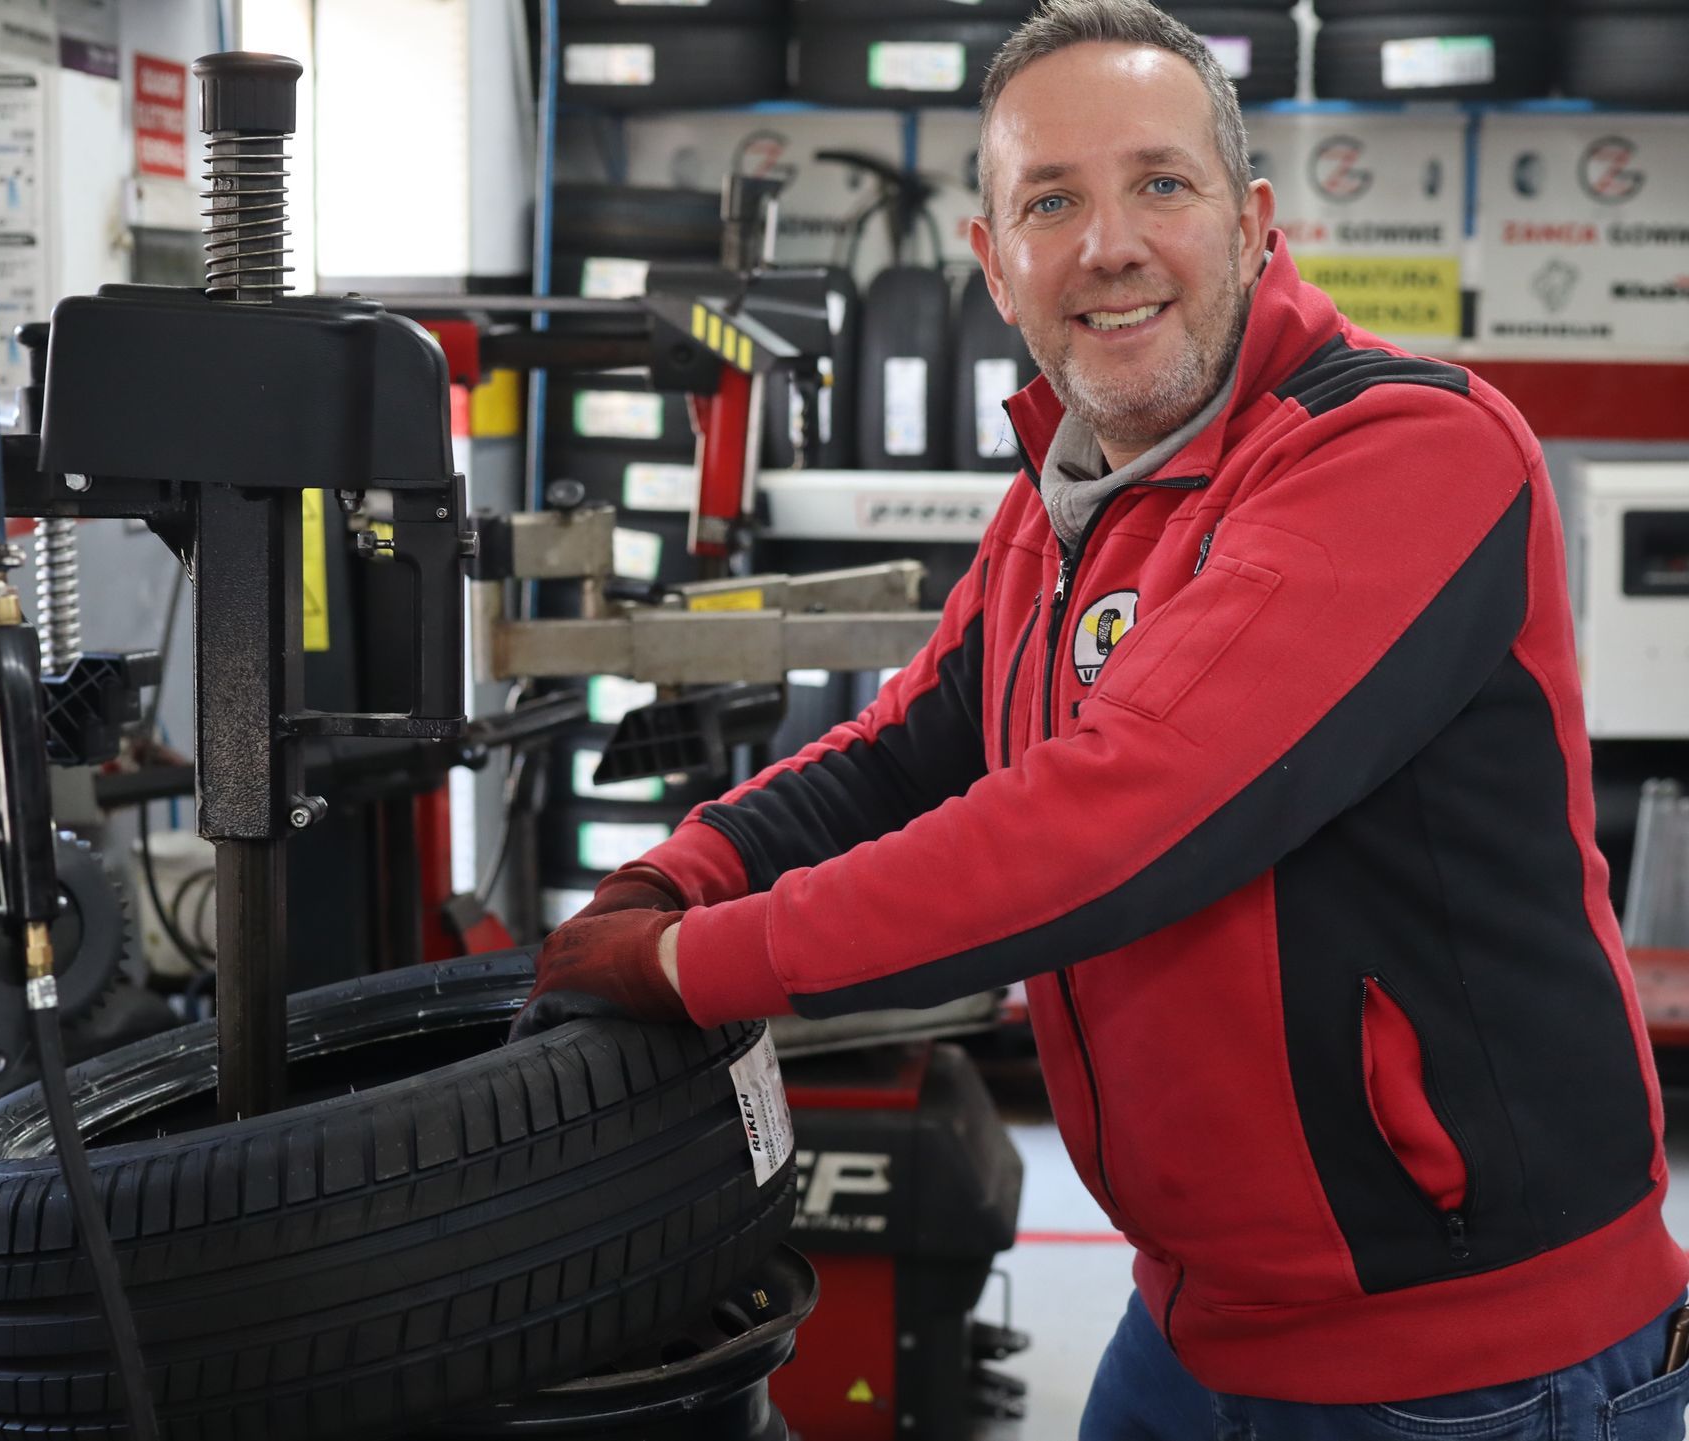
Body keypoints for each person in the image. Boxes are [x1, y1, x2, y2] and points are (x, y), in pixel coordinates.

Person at [513, 0, 1689, 1434]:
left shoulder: (1408, 451)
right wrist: (671, 871)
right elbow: (907, 747)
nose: (1110, 243)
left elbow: (1114, 818)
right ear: (993, 264)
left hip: (1469, 1360)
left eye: (1160, 184)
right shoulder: (1063, 499)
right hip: (1198, 1317)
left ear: (1254, 223)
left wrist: (697, 961)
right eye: (1051, 202)